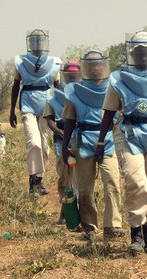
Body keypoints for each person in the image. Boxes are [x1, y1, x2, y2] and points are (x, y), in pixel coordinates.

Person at [100, 30, 147, 253]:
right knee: (136, 182)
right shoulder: (118, 79)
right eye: (138, 52)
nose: (143, 56)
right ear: (132, 54)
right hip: (129, 133)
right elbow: (108, 113)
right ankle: (136, 235)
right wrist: (99, 143)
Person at [61, 50, 124, 241]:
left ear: (104, 66)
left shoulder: (115, 87)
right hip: (83, 140)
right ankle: (89, 226)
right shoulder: (74, 91)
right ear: (86, 68)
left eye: (99, 64)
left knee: (112, 182)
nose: (96, 68)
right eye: (91, 65)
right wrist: (65, 147)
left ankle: (113, 224)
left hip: (109, 140)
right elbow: (70, 120)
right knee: (85, 187)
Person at [10, 29, 61, 195]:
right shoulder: (21, 62)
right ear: (29, 44)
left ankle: (39, 181)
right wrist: (12, 110)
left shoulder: (54, 63)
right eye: (34, 42)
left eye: (40, 42)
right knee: (34, 143)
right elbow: (16, 85)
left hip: (46, 106)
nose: (37, 45)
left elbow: (58, 89)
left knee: (45, 147)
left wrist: (60, 114)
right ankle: (32, 180)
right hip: (28, 106)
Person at [44, 60, 81, 224]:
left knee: (78, 180)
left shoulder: (84, 92)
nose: (72, 78)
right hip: (61, 142)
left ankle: (77, 214)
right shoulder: (53, 95)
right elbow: (49, 118)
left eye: (75, 75)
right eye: (69, 75)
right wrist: (57, 131)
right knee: (64, 179)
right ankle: (65, 210)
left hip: (80, 141)